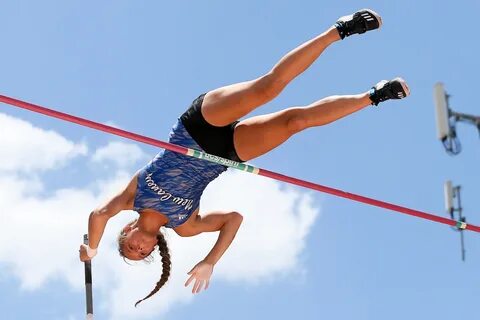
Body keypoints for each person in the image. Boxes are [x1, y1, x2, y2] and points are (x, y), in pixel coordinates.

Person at [79, 9, 410, 306]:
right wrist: (210, 261)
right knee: (296, 122)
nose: (139, 249)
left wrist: (92, 249)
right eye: (143, 254)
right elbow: (233, 218)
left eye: (130, 248)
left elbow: (98, 214)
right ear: (154, 249)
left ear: (126, 232)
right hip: (224, 154)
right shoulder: (185, 226)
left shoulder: (130, 199)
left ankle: (339, 30)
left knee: (266, 89)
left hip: (197, 128)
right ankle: (375, 96)